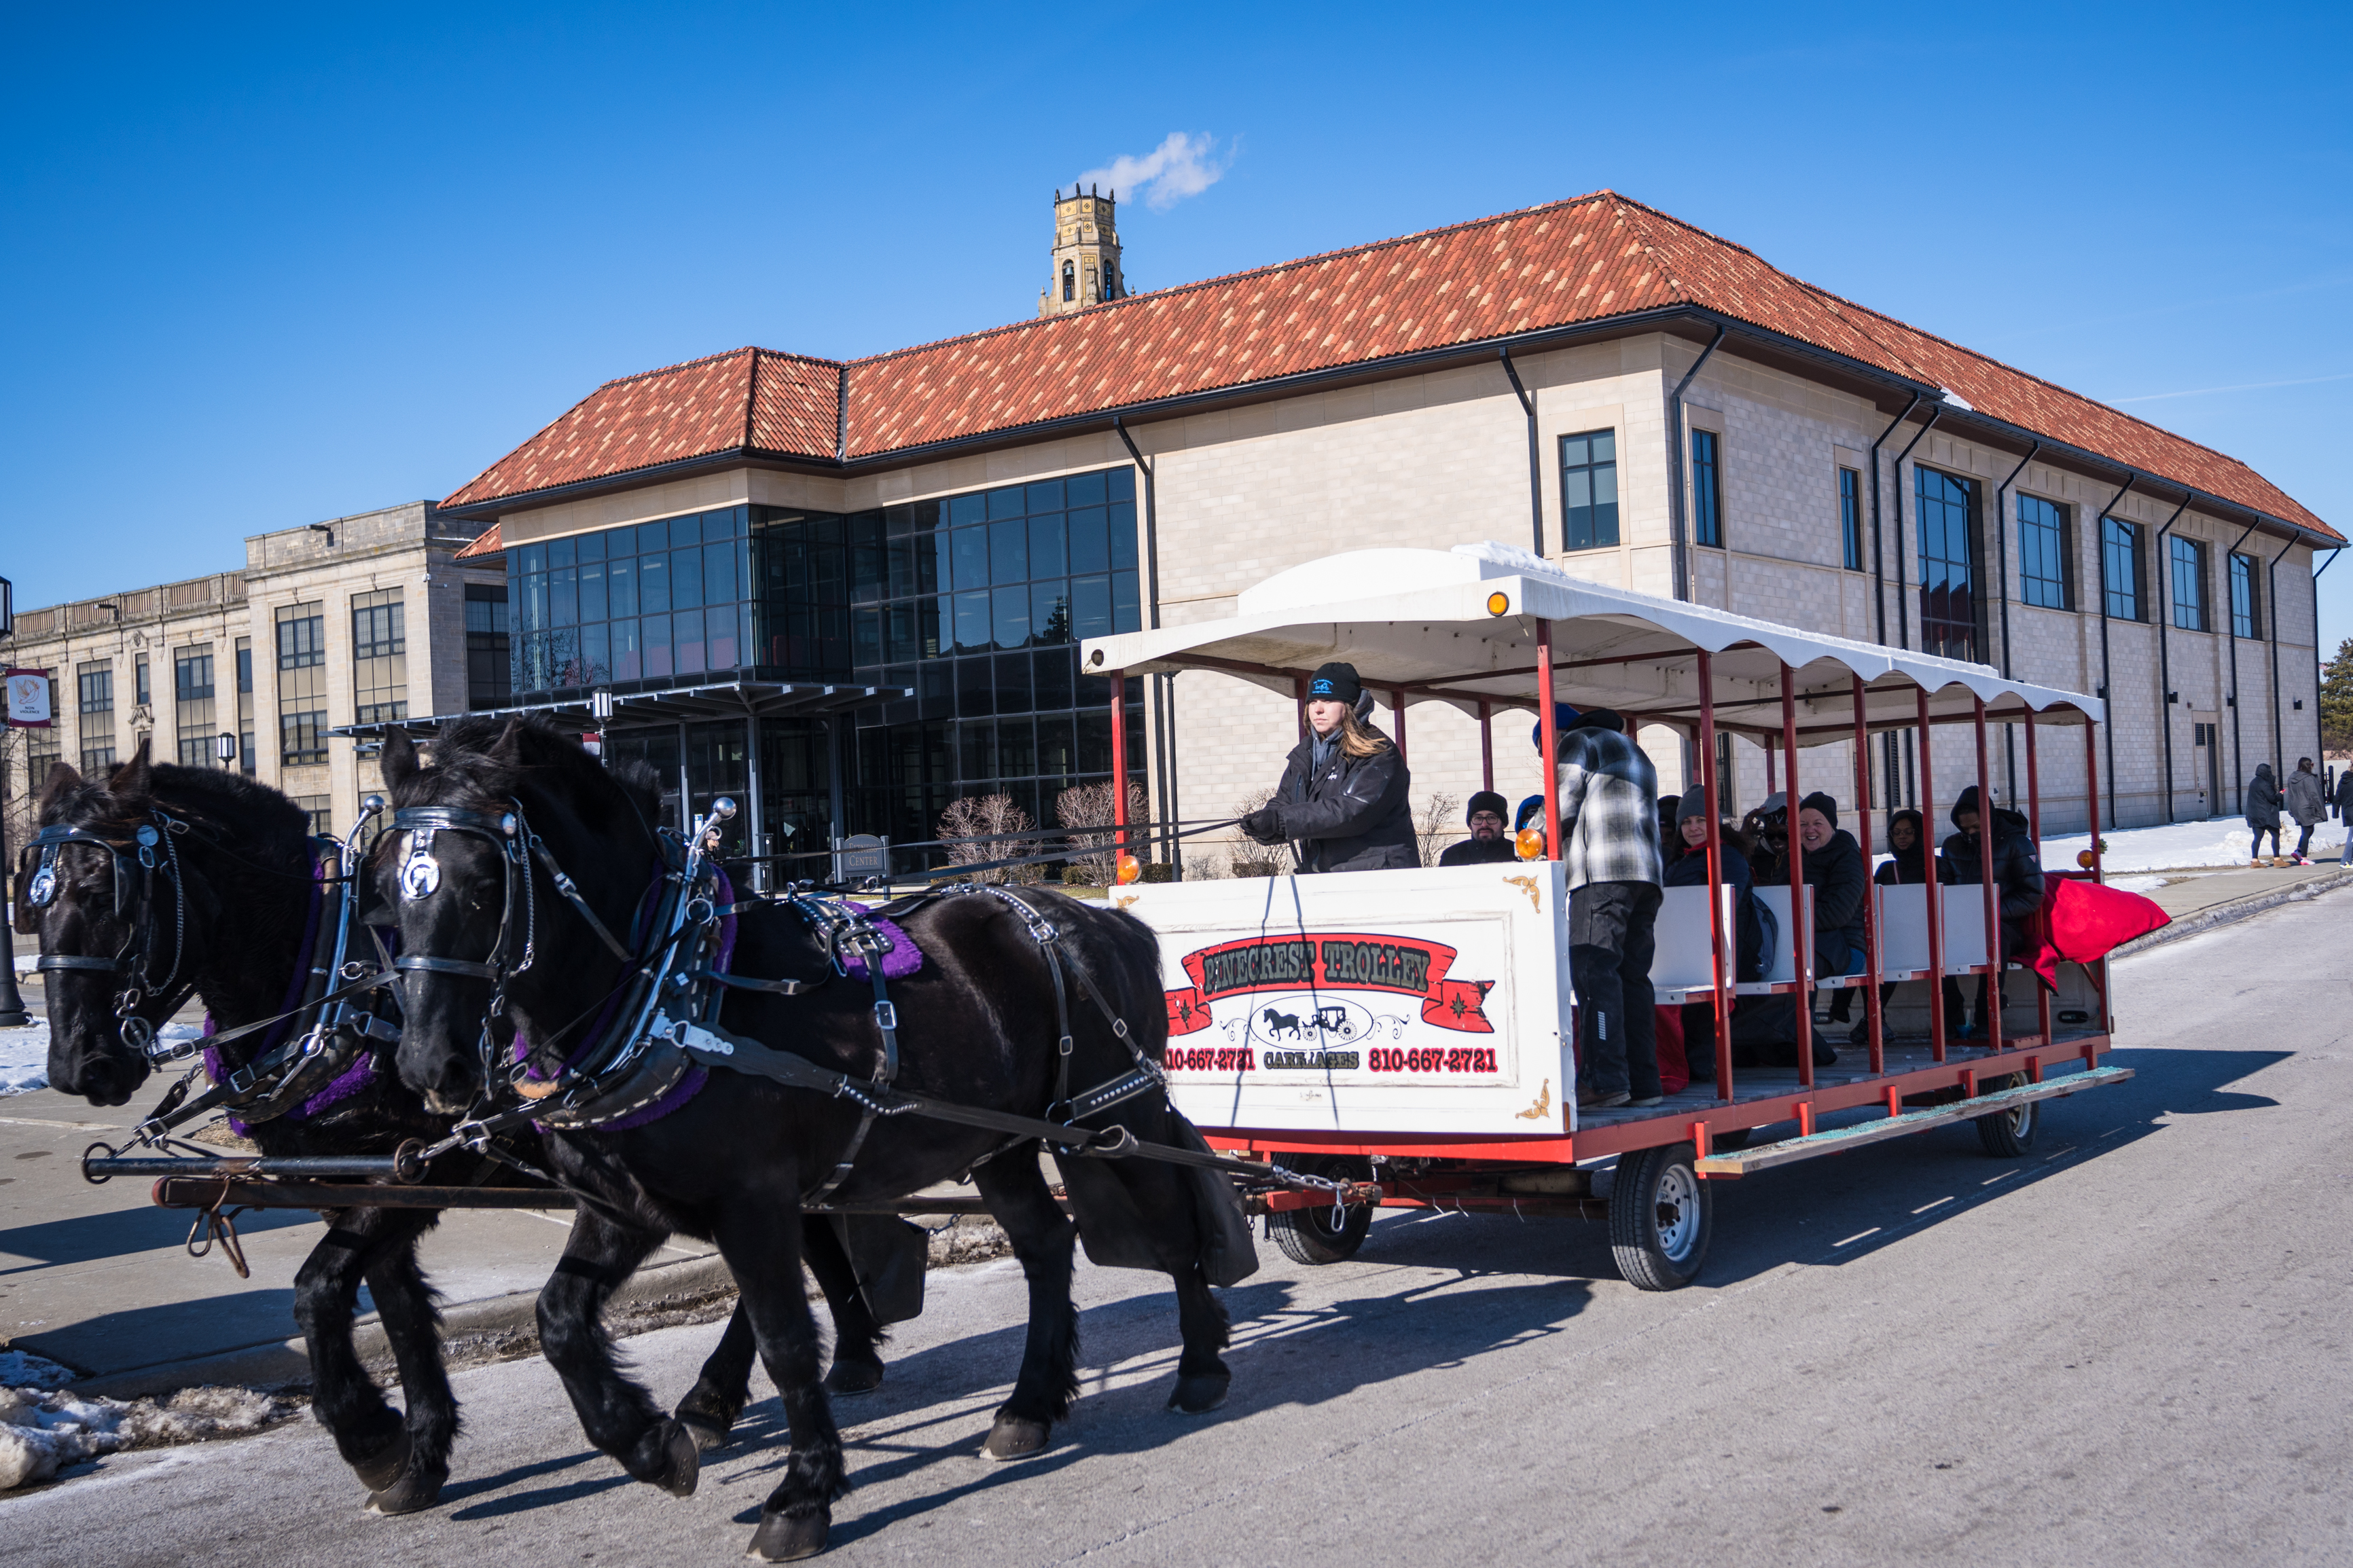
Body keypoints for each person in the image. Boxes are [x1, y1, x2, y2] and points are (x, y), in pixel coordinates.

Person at [1549, 708, 1664, 1110]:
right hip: (1645, 875)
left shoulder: (1580, 742)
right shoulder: (1636, 750)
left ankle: (1605, 1080)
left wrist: (1528, 843)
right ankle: (1644, 1083)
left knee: (1593, 972)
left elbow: (1559, 806)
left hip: (1600, 873)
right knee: (1632, 979)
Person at [1239, 661, 1417, 873]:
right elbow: (1284, 803)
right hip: (1324, 877)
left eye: (1329, 700)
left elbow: (1354, 811)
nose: (1318, 709)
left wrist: (1282, 821)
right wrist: (1264, 825)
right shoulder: (1304, 753)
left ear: (1350, 705)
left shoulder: (1378, 751)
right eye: (1313, 701)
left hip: (1377, 879)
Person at [1662, 786, 1766, 1080]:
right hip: (1688, 945)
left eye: (1700, 820)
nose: (1693, 828)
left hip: (1724, 949)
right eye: (1686, 822)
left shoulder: (1727, 857)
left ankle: (1698, 1064)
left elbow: (1726, 907)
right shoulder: (1682, 858)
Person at [1850, 807, 1963, 1045]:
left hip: (1934, 936)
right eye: (1896, 832)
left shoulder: (1937, 866)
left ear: (1921, 834)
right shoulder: (1886, 869)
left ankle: (1949, 1023)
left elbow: (1950, 901)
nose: (1902, 837)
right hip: (1897, 937)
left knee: (1942, 965)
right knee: (1876, 959)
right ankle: (1874, 1019)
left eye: (1909, 832)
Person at [1941, 785, 2046, 1038]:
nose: (1971, 834)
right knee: (1935, 940)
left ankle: (1986, 1013)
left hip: (2005, 924)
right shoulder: (1953, 846)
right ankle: (1950, 1013)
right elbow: (1944, 887)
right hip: (1963, 923)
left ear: (1989, 818)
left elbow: (2033, 894)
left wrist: (1991, 912)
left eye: (1977, 828)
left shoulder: (2016, 844)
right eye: (1965, 829)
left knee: (1993, 937)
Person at [1439, 790, 1518, 867]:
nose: (1484, 825)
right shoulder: (1452, 856)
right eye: (1478, 818)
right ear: (1470, 824)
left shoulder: (1520, 854)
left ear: (1503, 823)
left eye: (1491, 818)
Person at [2284, 756, 2326, 862]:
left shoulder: (2292, 777)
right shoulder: (2309, 779)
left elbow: (2290, 795)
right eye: (2312, 765)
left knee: (2308, 829)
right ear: (2308, 766)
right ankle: (2304, 857)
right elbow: (2316, 795)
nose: (2313, 767)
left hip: (2296, 807)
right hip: (2307, 807)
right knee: (2307, 831)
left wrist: (2290, 809)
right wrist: (2322, 812)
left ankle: (2299, 851)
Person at [2246, 763, 2284, 861]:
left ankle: (2254, 860)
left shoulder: (2253, 782)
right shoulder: (2265, 783)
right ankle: (2277, 859)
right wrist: (2280, 794)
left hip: (2255, 815)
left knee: (2257, 838)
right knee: (2275, 835)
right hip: (2267, 815)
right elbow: (2272, 798)